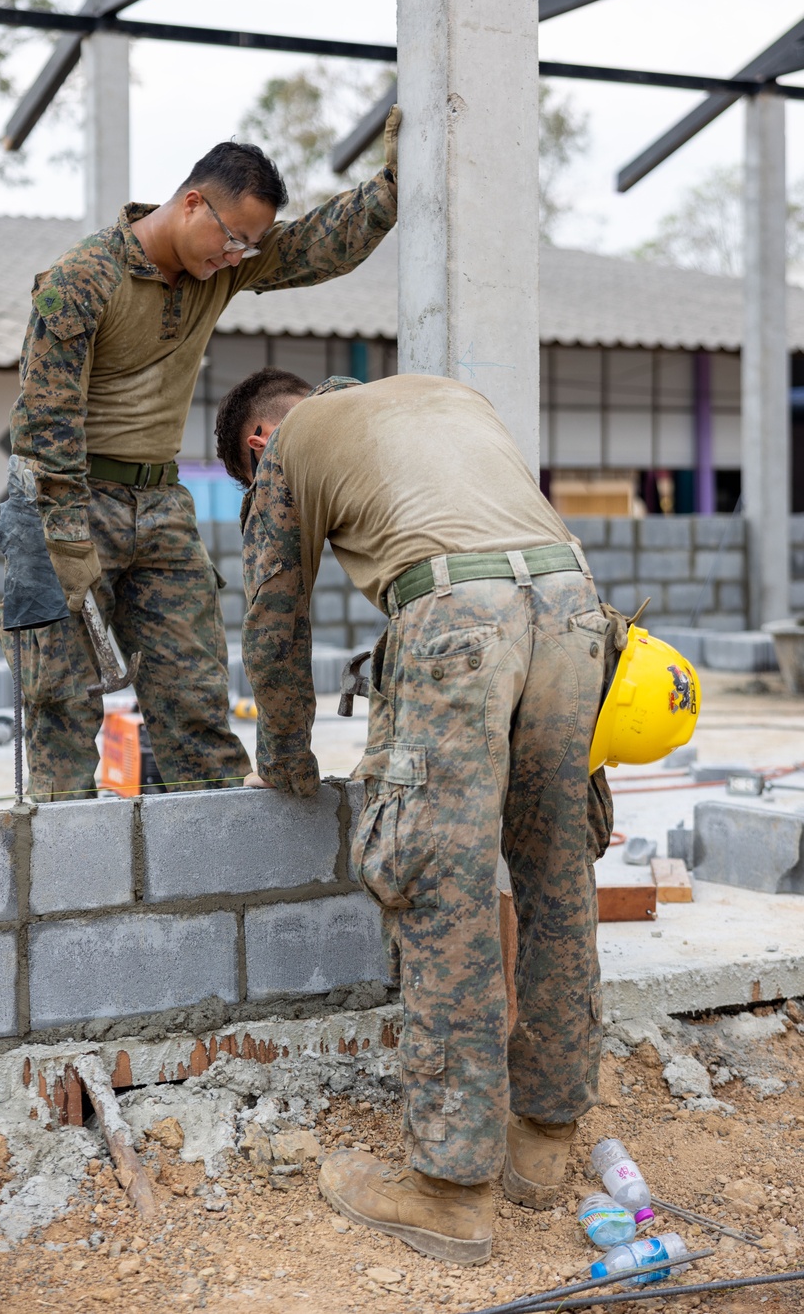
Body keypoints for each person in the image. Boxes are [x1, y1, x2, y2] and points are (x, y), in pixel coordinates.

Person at [214, 368, 613, 1265]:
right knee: (558, 868)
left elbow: (274, 624)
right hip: (581, 612)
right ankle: (543, 1139)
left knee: (442, 887)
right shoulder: (445, 394)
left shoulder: (290, 450)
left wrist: (285, 761)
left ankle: (449, 1189)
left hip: (459, 621)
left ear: (256, 444)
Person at [5, 110, 399, 800]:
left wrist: (392, 187)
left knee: (195, 699)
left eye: (248, 246)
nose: (235, 256)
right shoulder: (81, 281)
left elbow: (314, 246)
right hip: (63, 503)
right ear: (192, 203)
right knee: (60, 709)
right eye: (231, 237)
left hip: (159, 504)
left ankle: (212, 871)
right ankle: (66, 876)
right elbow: (46, 421)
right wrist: (65, 542)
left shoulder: (220, 269)